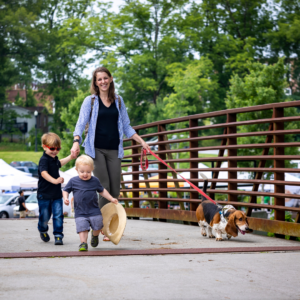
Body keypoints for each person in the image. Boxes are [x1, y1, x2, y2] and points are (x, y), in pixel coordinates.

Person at [71, 66, 150, 241]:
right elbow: (80, 123)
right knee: (103, 186)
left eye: (105, 78)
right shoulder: (90, 101)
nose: (103, 82)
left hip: (115, 149)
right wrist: (76, 141)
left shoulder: (119, 101)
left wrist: (142, 142)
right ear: (95, 82)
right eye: (99, 79)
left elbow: (127, 126)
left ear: (111, 79)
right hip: (96, 149)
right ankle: (100, 228)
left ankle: (103, 224)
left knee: (115, 190)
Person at [63, 155, 118, 251]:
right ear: (77, 170)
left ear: (92, 169)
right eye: (82, 171)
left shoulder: (95, 180)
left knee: (98, 225)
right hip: (80, 211)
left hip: (94, 210)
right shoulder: (73, 181)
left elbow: (102, 191)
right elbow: (65, 190)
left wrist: (111, 198)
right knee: (82, 228)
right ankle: (83, 243)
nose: (85, 174)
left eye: (88, 172)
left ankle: (95, 235)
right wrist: (65, 198)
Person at [37, 132, 76, 245]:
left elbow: (60, 163)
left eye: (58, 149)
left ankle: (58, 235)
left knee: (58, 215)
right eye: (52, 148)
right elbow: (44, 173)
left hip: (56, 194)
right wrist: (55, 180)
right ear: (44, 146)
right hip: (44, 194)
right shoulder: (44, 160)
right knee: (45, 216)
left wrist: (71, 157)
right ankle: (42, 229)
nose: (55, 151)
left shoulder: (54, 159)